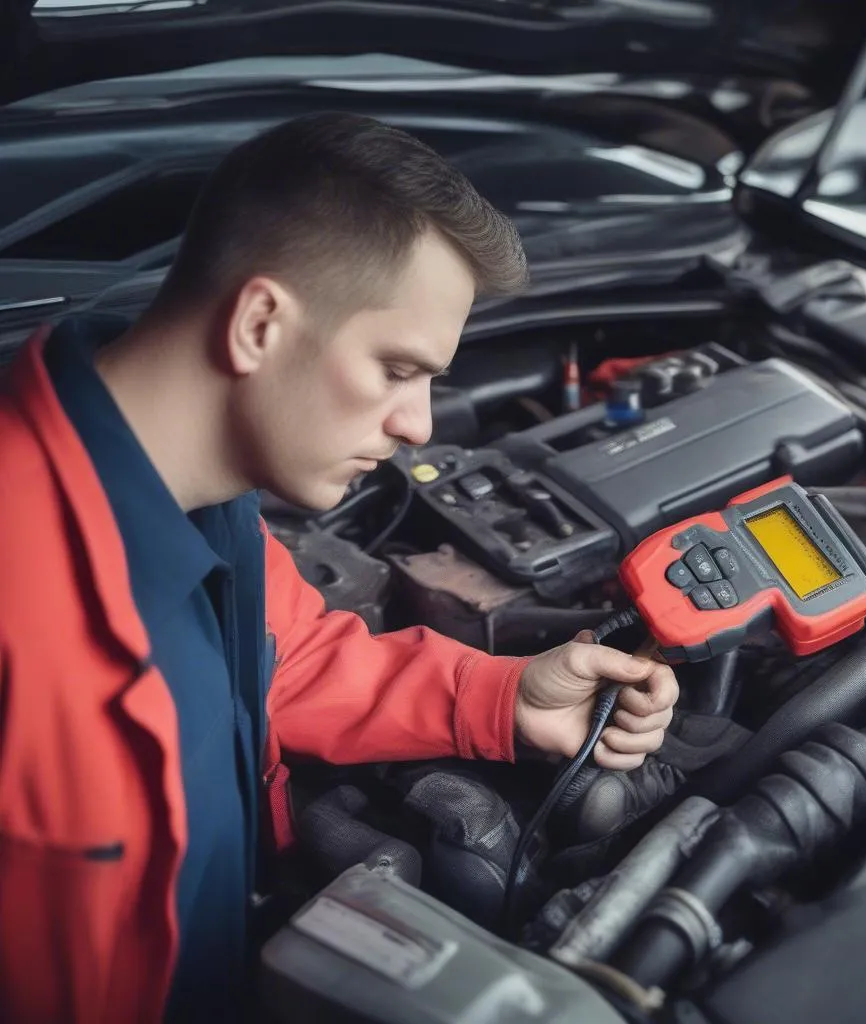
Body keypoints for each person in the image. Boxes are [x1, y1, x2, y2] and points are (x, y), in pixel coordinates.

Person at [0, 112, 678, 1022]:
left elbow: (290, 661)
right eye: (398, 369)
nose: (420, 426)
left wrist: (505, 697)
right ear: (260, 322)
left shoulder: (195, 491)